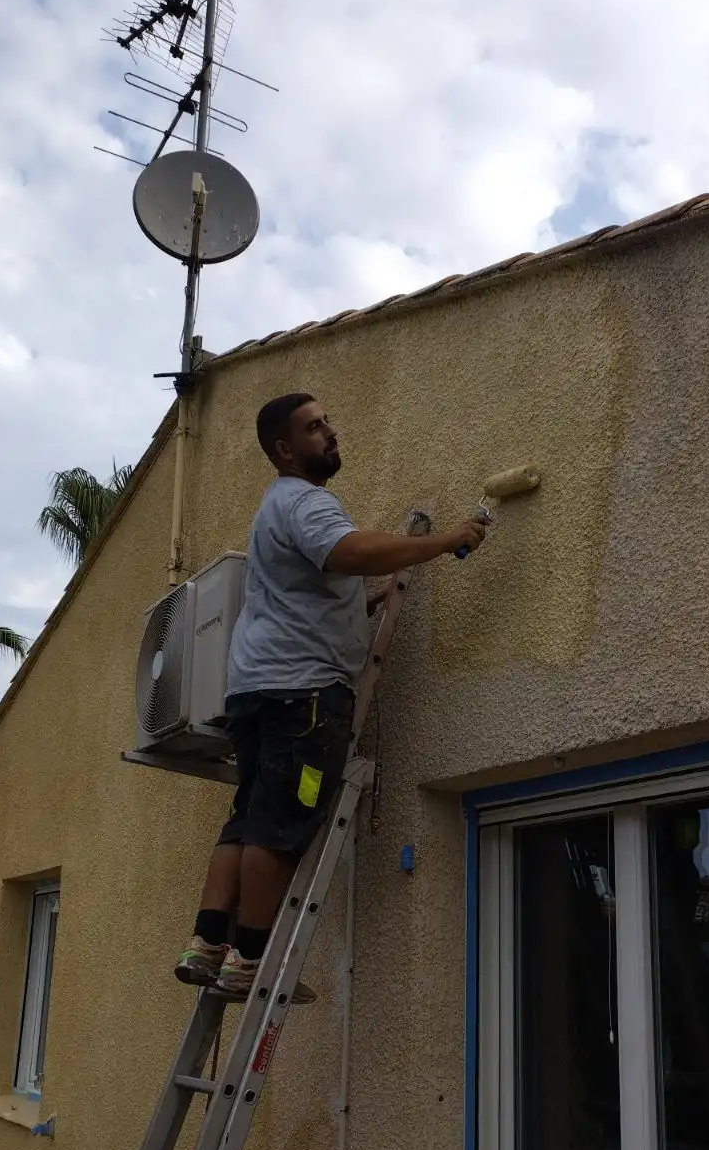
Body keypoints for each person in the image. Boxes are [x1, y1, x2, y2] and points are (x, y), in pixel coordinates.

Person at [174, 392, 486, 1002]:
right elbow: (348, 553)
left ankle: (207, 944)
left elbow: (311, 590)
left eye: (327, 422)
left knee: (246, 820)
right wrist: (444, 540)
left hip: (259, 690)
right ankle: (249, 962)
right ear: (285, 450)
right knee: (281, 824)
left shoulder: (274, 508)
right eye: (314, 428)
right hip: (303, 696)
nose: (329, 433)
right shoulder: (306, 501)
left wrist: (363, 605)